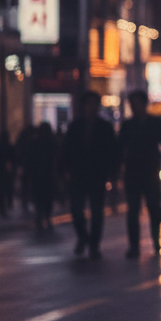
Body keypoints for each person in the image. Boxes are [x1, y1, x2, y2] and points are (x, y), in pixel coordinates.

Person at [60, 91, 117, 258]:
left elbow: (111, 152)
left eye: (95, 104)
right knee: (76, 209)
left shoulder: (105, 127)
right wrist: (64, 171)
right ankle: (83, 236)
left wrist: (110, 174)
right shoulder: (75, 126)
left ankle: (94, 244)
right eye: (89, 104)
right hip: (78, 174)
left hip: (97, 175)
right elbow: (66, 150)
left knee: (97, 211)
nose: (92, 107)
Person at [118, 90, 161, 258]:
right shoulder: (128, 125)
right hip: (133, 172)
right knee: (133, 210)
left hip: (151, 171)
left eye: (136, 104)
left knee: (154, 209)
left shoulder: (156, 123)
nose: (134, 107)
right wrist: (117, 172)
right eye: (132, 104)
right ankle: (134, 246)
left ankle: (156, 242)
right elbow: (120, 149)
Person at [29, 122, 57, 231]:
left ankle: (40, 216)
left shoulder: (35, 142)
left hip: (38, 175)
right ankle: (47, 217)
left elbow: (30, 159)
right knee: (47, 197)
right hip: (47, 174)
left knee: (39, 197)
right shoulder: (51, 142)